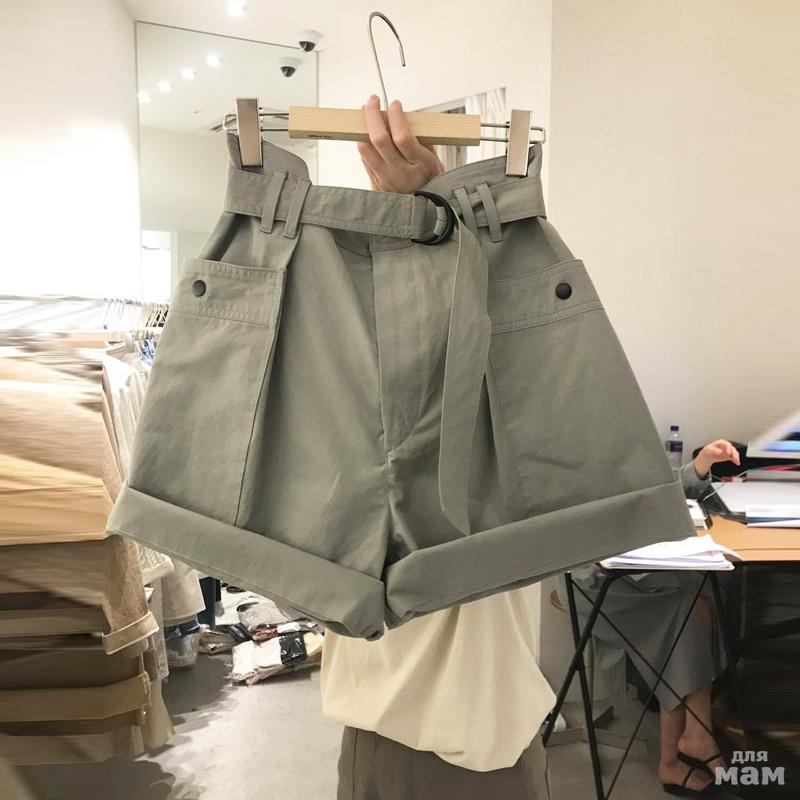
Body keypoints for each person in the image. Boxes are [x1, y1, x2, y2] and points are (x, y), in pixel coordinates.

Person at [320, 95, 554, 800]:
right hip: (431, 732)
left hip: (467, 727)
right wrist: (433, 219)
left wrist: (435, 217)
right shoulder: (374, 397)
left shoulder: (488, 395)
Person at [572, 439, 741, 797]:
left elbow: (655, 491)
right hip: (596, 577)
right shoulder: (562, 451)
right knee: (683, 611)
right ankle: (678, 756)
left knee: (701, 599)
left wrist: (701, 464)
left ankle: (695, 733)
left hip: (633, 562)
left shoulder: (618, 436)